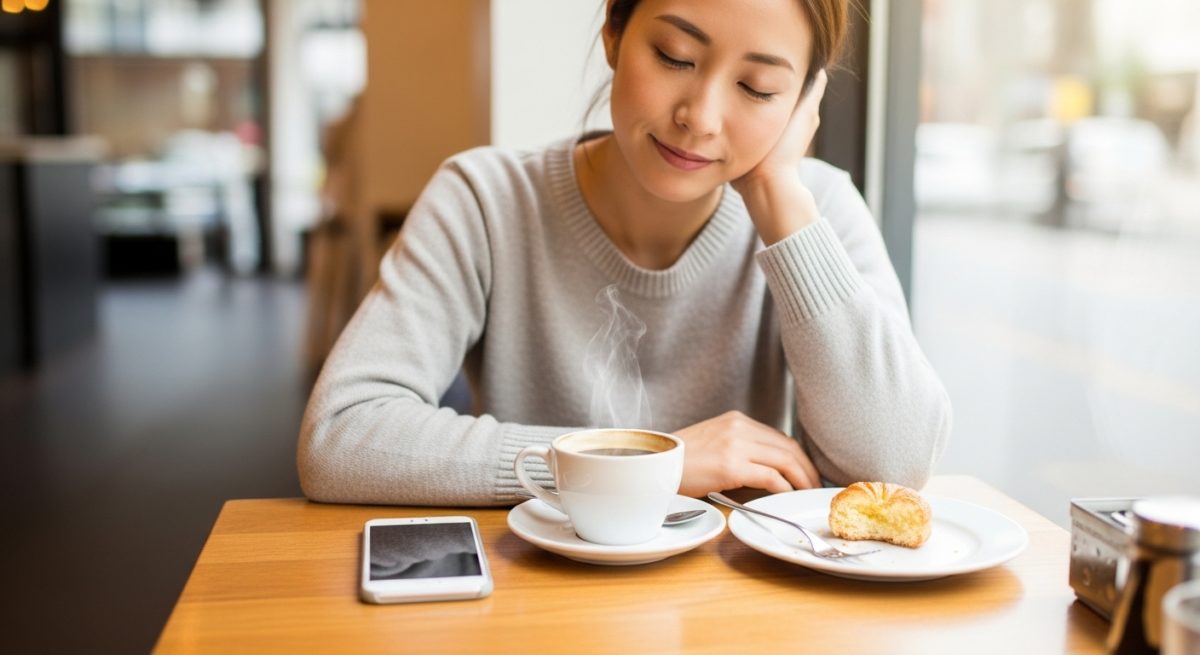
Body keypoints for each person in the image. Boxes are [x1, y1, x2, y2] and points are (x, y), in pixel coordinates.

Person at [298, 0, 952, 507]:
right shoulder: (485, 201)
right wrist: (642, 462)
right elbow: (342, 437)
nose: (700, 116)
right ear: (613, 29)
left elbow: (896, 463)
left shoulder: (819, 213)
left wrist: (783, 197)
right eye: (674, 55)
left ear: (803, 105)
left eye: (756, 89)